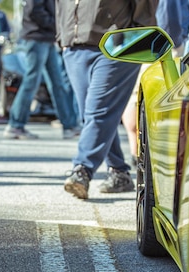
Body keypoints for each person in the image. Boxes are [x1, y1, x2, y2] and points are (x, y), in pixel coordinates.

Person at [57, 0, 159, 199]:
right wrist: (62, 37)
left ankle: (82, 169)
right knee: (92, 115)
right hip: (75, 47)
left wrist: (137, 36)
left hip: (117, 45)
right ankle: (119, 172)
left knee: (98, 111)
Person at [123, 0, 189, 167]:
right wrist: (174, 42)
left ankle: (136, 153)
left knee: (135, 97)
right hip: (159, 43)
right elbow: (167, 13)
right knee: (166, 101)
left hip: (136, 39)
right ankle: (144, 155)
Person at [3, 0, 80, 140]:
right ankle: (16, 124)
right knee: (31, 82)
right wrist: (55, 24)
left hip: (45, 37)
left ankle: (70, 125)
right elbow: (34, 11)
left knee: (57, 83)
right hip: (36, 37)